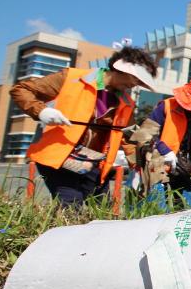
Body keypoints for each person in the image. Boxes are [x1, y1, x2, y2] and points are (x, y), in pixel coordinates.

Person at [10, 46, 158, 205]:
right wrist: (41, 111)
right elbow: (21, 90)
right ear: (122, 68)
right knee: (71, 205)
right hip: (59, 156)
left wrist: (141, 167)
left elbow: (131, 139)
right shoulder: (72, 78)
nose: (135, 85)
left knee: (102, 211)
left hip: (92, 162)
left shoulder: (126, 103)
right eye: (136, 79)